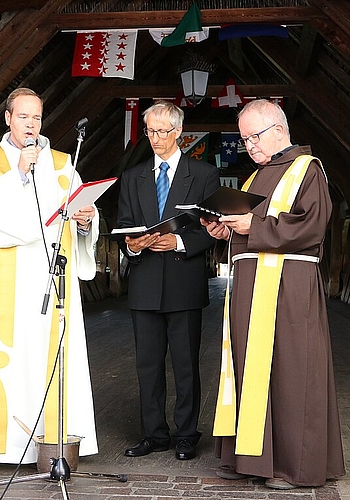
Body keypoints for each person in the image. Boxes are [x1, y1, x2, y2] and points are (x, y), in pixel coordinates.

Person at [0, 88, 99, 469]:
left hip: (48, 285)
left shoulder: (61, 165)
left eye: (37, 118)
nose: (31, 125)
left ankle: (51, 445)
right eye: (23, 117)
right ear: (7, 119)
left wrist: (87, 221)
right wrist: (19, 171)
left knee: (43, 361)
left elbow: (80, 209)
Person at [202, 99, 345, 489]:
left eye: (255, 137)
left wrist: (253, 224)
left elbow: (312, 225)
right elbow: (247, 230)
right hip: (249, 286)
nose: (249, 146)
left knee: (290, 370)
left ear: (279, 129)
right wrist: (226, 232)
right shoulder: (251, 179)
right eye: (245, 139)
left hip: (288, 288)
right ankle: (249, 459)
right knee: (248, 368)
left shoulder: (306, 169)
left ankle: (291, 466)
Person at [117, 100, 220, 461]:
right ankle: (154, 435)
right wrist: (133, 245)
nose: (156, 138)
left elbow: (213, 229)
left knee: (186, 363)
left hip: (183, 282)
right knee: (147, 365)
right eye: (150, 131)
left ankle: (187, 434)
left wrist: (178, 241)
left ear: (179, 132)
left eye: (163, 131)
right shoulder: (132, 178)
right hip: (143, 283)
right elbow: (124, 227)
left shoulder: (204, 175)